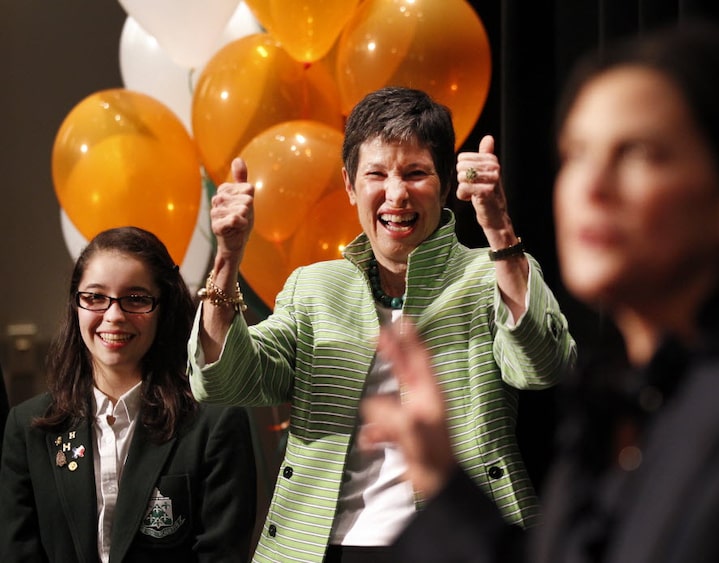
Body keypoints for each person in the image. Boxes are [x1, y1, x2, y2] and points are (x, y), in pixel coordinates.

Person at [359, 23, 719, 562]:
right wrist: (440, 476)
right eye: (576, 155)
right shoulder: (613, 401)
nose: (593, 185)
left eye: (640, 153)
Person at [187, 86, 577, 563]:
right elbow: (223, 380)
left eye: (416, 173)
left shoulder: (489, 273)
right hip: (323, 548)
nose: (396, 194)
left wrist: (499, 230)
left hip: (461, 542)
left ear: (446, 183)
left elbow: (544, 366)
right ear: (350, 184)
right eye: (376, 174)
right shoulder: (313, 289)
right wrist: (227, 257)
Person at [0, 226, 257, 562]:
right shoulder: (29, 427)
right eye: (95, 298)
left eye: (136, 299)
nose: (114, 316)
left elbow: (222, 554)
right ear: (75, 305)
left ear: (163, 308)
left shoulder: (214, 425)